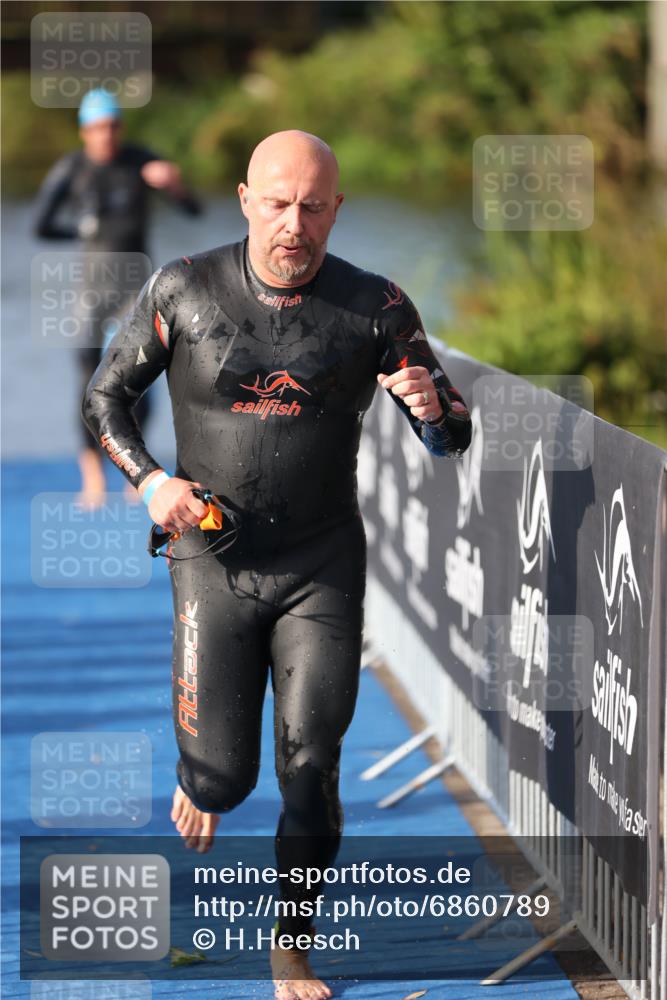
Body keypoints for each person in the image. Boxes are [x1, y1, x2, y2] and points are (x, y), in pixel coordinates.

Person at [82, 130, 471, 1000]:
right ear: (247, 198)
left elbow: (449, 439)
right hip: (209, 557)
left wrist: (434, 408)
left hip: (319, 564)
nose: (293, 223)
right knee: (224, 777)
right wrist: (148, 484)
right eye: (277, 202)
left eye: (313, 206)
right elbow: (105, 396)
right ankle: (202, 775)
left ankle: (290, 945)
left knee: (312, 769)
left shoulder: (376, 306)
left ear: (336, 208)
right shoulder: (182, 287)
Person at [34, 88, 201, 507]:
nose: (105, 135)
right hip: (92, 291)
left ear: (120, 128)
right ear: (84, 131)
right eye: (96, 128)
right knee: (88, 384)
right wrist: (81, 231)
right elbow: (41, 226)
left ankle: (135, 472)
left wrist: (176, 186)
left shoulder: (141, 161)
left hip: (136, 291)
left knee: (139, 384)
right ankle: (92, 479)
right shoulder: (72, 169)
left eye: (111, 126)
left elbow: (194, 211)